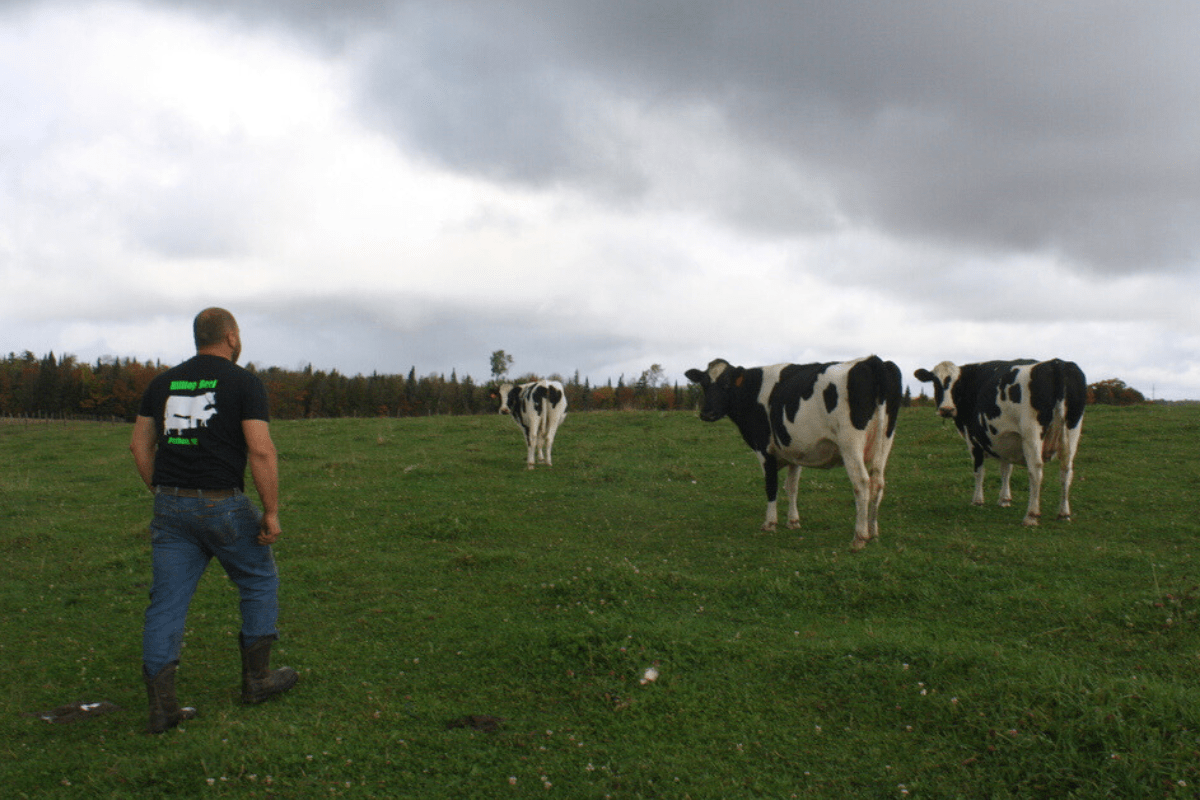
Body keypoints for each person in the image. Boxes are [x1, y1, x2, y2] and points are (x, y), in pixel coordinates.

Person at [130, 307, 298, 734]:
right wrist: (272, 512)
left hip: (170, 507)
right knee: (258, 579)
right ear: (232, 336)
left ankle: (163, 709)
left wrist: (163, 491)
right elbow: (260, 450)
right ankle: (257, 680)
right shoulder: (244, 383)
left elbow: (138, 445)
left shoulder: (163, 382)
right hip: (224, 505)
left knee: (166, 603)